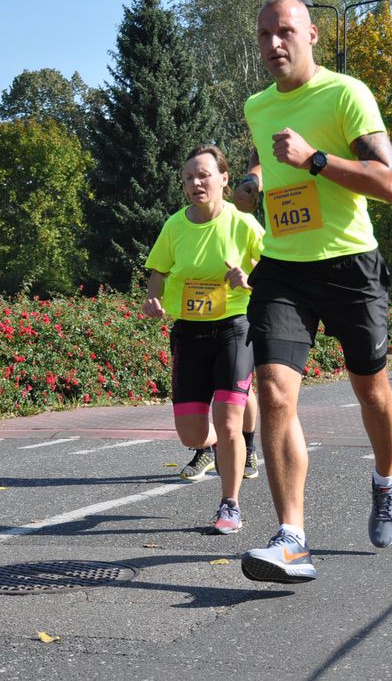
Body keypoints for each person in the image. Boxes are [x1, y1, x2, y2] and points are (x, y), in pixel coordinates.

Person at [232, 0, 392, 584]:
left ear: (310, 35)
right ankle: (292, 538)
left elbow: (389, 184)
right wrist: (255, 179)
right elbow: (269, 159)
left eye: (284, 31)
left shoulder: (346, 94)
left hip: (350, 264)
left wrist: (315, 160)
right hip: (283, 266)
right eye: (264, 34)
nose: (273, 44)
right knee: (275, 391)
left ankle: (386, 479)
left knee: (370, 390)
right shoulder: (257, 106)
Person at [143, 145, 264, 534]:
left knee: (228, 423)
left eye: (203, 175)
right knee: (191, 434)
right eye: (188, 178)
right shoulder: (174, 225)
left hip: (234, 327)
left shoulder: (243, 223)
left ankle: (230, 504)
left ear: (224, 179)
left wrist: (249, 280)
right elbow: (158, 272)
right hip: (189, 332)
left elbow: (275, 270)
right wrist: (153, 298)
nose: (195, 183)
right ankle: (214, 448)